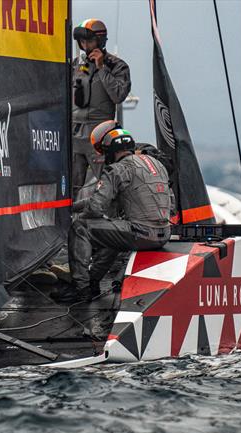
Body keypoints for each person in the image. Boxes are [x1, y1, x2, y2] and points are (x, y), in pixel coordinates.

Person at [68, 122, 174, 303]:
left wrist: (72, 213)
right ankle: (93, 282)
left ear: (111, 151)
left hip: (141, 234)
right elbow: (170, 206)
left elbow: (96, 207)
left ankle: (81, 289)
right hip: (164, 234)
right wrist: (73, 206)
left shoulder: (118, 169)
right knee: (113, 232)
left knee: (80, 228)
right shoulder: (157, 164)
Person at [72, 19, 131, 195]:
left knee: (106, 183)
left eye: (89, 41)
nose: (85, 45)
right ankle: (70, 219)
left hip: (100, 134)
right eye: (82, 42)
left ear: (100, 40)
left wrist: (102, 68)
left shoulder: (117, 66)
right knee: (71, 186)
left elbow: (119, 95)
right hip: (74, 133)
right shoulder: (75, 65)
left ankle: (109, 218)